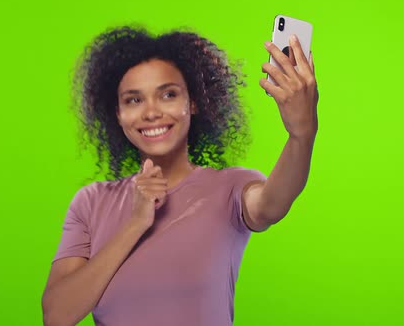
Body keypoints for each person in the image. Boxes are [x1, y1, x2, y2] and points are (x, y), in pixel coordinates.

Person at [41, 26, 318, 326]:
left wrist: (301, 135)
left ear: (193, 102)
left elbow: (273, 203)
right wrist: (136, 223)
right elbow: (57, 316)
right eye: (134, 100)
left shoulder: (230, 188)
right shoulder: (91, 202)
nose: (151, 112)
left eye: (168, 94)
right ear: (118, 114)